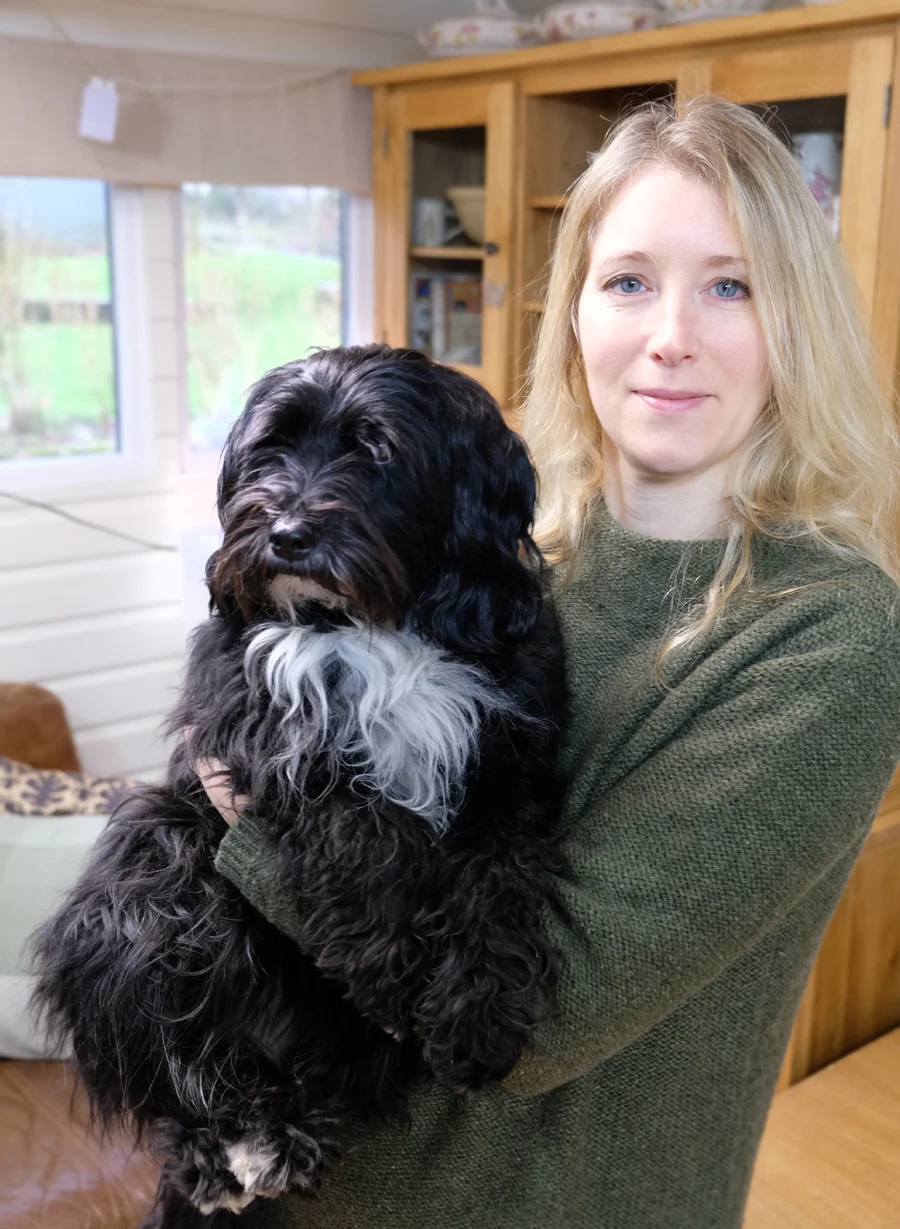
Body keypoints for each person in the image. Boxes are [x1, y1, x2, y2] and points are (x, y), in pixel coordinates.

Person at [195, 94, 900, 1229]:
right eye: (629, 280)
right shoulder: (510, 560)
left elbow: (535, 1018)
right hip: (307, 1191)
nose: (670, 333)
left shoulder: (830, 634)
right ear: (575, 311)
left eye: (732, 284)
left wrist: (242, 812)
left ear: (796, 323)